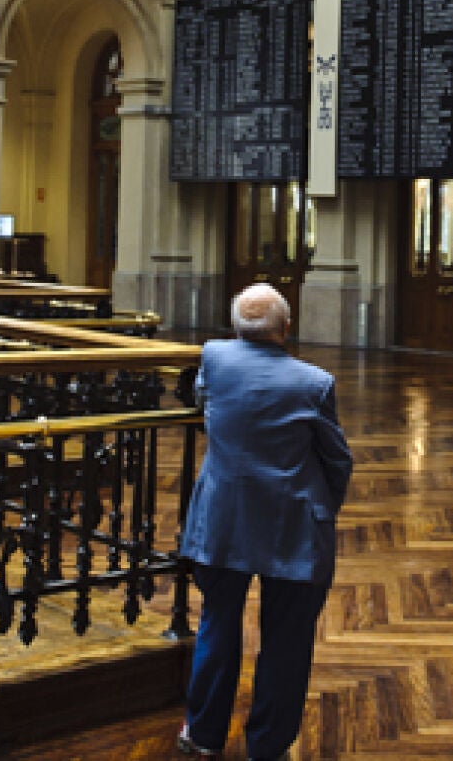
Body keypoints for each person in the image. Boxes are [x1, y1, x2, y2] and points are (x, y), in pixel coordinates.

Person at [177, 284, 352, 761]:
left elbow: (202, 398)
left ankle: (205, 735)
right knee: (287, 641)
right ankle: (267, 745)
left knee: (217, 622)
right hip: (293, 526)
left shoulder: (214, 358)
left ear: (235, 328)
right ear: (287, 328)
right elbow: (338, 461)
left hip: (223, 522)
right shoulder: (314, 383)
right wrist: (323, 510)